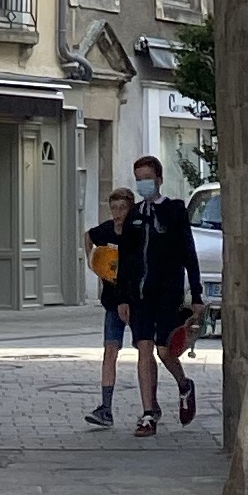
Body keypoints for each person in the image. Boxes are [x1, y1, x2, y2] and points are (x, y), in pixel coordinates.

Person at [109, 155, 201, 436]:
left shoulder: (174, 211)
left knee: (165, 351)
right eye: (139, 180)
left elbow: (188, 253)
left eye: (147, 179)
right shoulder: (134, 215)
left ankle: (184, 384)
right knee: (144, 349)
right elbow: (124, 259)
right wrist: (122, 298)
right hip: (139, 296)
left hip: (167, 294)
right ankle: (148, 412)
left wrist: (196, 295)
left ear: (159, 179)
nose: (143, 184)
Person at [84, 186, 134, 426]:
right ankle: (106, 407)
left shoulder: (137, 230)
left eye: (122, 208)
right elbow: (88, 236)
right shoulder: (105, 230)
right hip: (113, 301)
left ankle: (151, 406)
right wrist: (93, 262)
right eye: (114, 208)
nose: (118, 213)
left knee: (148, 350)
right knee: (110, 350)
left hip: (137, 300)